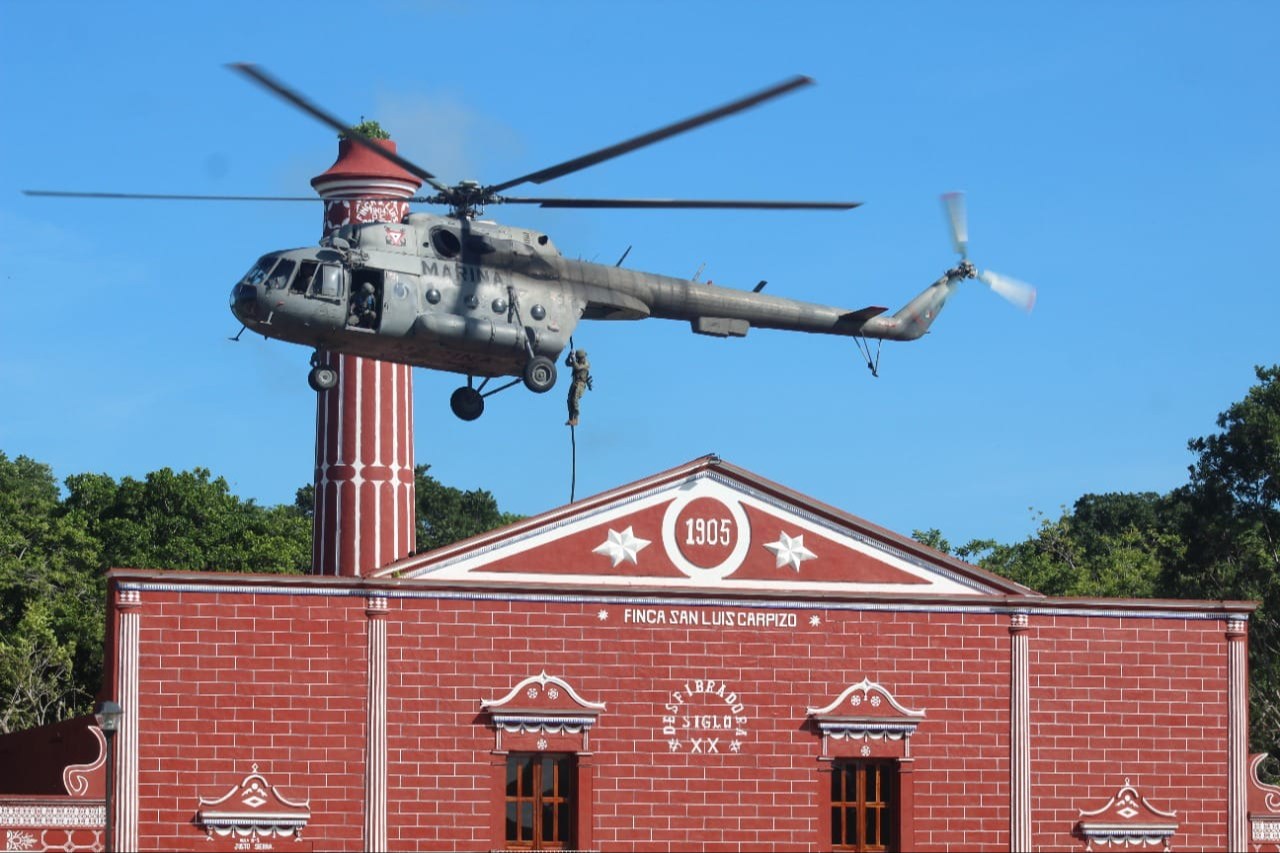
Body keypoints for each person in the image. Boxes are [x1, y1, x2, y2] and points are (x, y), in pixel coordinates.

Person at [565, 349, 592, 426]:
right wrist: (569, 356)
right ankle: (571, 418)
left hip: (581, 384)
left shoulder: (586, 364)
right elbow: (567, 364)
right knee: (569, 400)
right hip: (574, 383)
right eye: (582, 358)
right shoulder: (576, 362)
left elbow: (577, 367)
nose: (584, 359)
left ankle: (576, 420)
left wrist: (573, 359)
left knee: (575, 399)